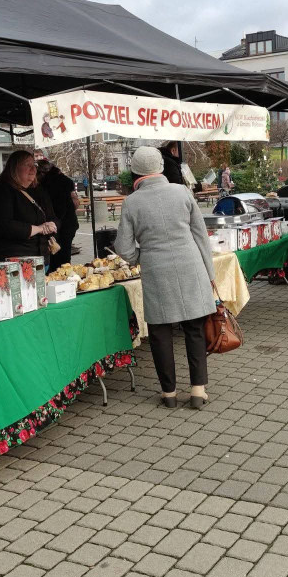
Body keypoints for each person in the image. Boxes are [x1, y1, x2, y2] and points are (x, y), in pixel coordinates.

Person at [114, 147, 216, 409]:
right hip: (190, 264)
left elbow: (123, 248)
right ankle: (197, 390)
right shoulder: (182, 192)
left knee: (160, 332)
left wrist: (141, 255)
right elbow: (201, 236)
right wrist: (210, 273)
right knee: (194, 328)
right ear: (160, 166)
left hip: (155, 269)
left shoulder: (131, 202)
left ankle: (169, 393)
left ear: (135, 171)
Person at [0, 150, 59, 264]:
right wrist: (39, 229)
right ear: (14, 168)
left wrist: (52, 225)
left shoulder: (38, 190)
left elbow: (52, 216)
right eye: (28, 165)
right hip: (10, 261)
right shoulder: (1, 191)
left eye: (34, 165)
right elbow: (3, 225)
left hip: (40, 259)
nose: (33, 169)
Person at [36, 154, 80, 270]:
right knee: (64, 255)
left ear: (42, 173)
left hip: (61, 226)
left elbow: (59, 209)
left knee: (59, 258)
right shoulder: (62, 181)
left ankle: (60, 274)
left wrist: (53, 226)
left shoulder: (51, 184)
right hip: (68, 223)